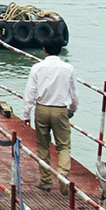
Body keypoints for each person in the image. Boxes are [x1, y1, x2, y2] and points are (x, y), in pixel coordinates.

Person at [22, 38, 78, 192]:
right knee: (64, 145)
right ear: (60, 50)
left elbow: (30, 92)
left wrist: (26, 114)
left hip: (42, 108)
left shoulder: (37, 68)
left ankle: (46, 181)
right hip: (60, 109)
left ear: (44, 50)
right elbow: (73, 94)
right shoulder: (68, 69)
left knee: (43, 145)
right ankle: (62, 174)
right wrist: (71, 110)